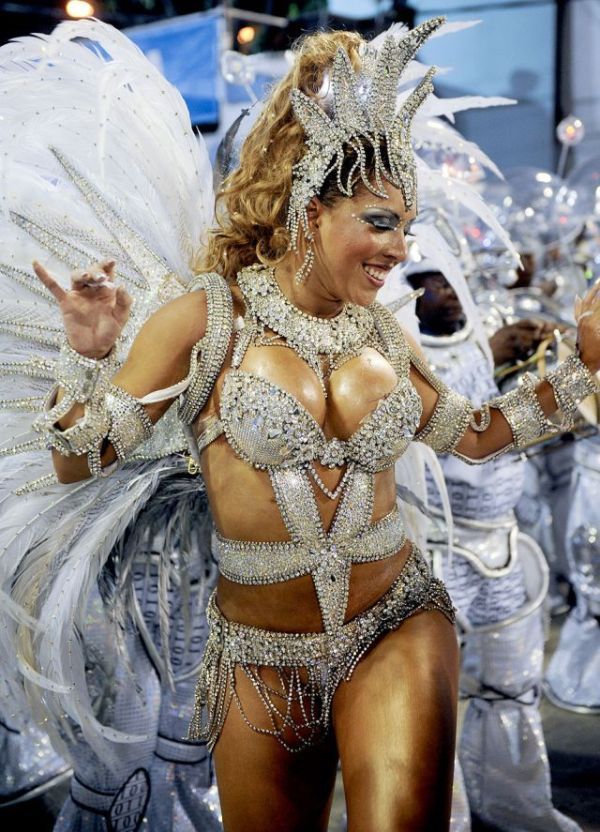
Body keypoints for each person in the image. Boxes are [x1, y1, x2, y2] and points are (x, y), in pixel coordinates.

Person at [4, 17, 600, 832]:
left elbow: (474, 433)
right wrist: (90, 356)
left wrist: (583, 374)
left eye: (408, 223)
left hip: (397, 620)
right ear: (313, 209)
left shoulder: (384, 332)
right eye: (382, 221)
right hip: (257, 656)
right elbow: (83, 462)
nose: (401, 248)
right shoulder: (205, 321)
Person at [406, 263, 581, 831]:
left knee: (513, 684)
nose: (452, 291)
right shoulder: (394, 352)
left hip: (502, 542)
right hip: (437, 549)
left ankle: (515, 803)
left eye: (455, 277)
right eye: (435, 282)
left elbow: (502, 427)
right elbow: (471, 435)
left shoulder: (484, 340)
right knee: (431, 706)